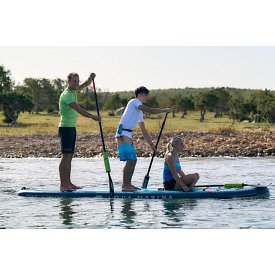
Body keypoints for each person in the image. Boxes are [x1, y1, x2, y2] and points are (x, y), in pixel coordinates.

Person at [116, 86, 172, 192]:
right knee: (131, 160)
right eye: (145, 95)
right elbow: (149, 110)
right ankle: (125, 185)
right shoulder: (134, 102)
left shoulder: (139, 112)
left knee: (133, 160)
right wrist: (164, 110)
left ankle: (128, 184)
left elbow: (143, 130)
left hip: (128, 134)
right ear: (139, 95)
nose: (147, 97)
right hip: (122, 133)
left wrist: (152, 146)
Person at [58, 72, 101, 191]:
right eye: (74, 81)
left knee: (70, 156)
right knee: (65, 157)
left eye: (77, 81)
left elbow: (86, 84)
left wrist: (90, 78)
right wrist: (93, 117)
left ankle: (68, 183)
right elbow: (79, 109)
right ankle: (63, 184)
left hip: (72, 128)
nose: (77, 84)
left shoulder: (74, 91)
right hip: (65, 128)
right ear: (68, 82)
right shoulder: (67, 95)